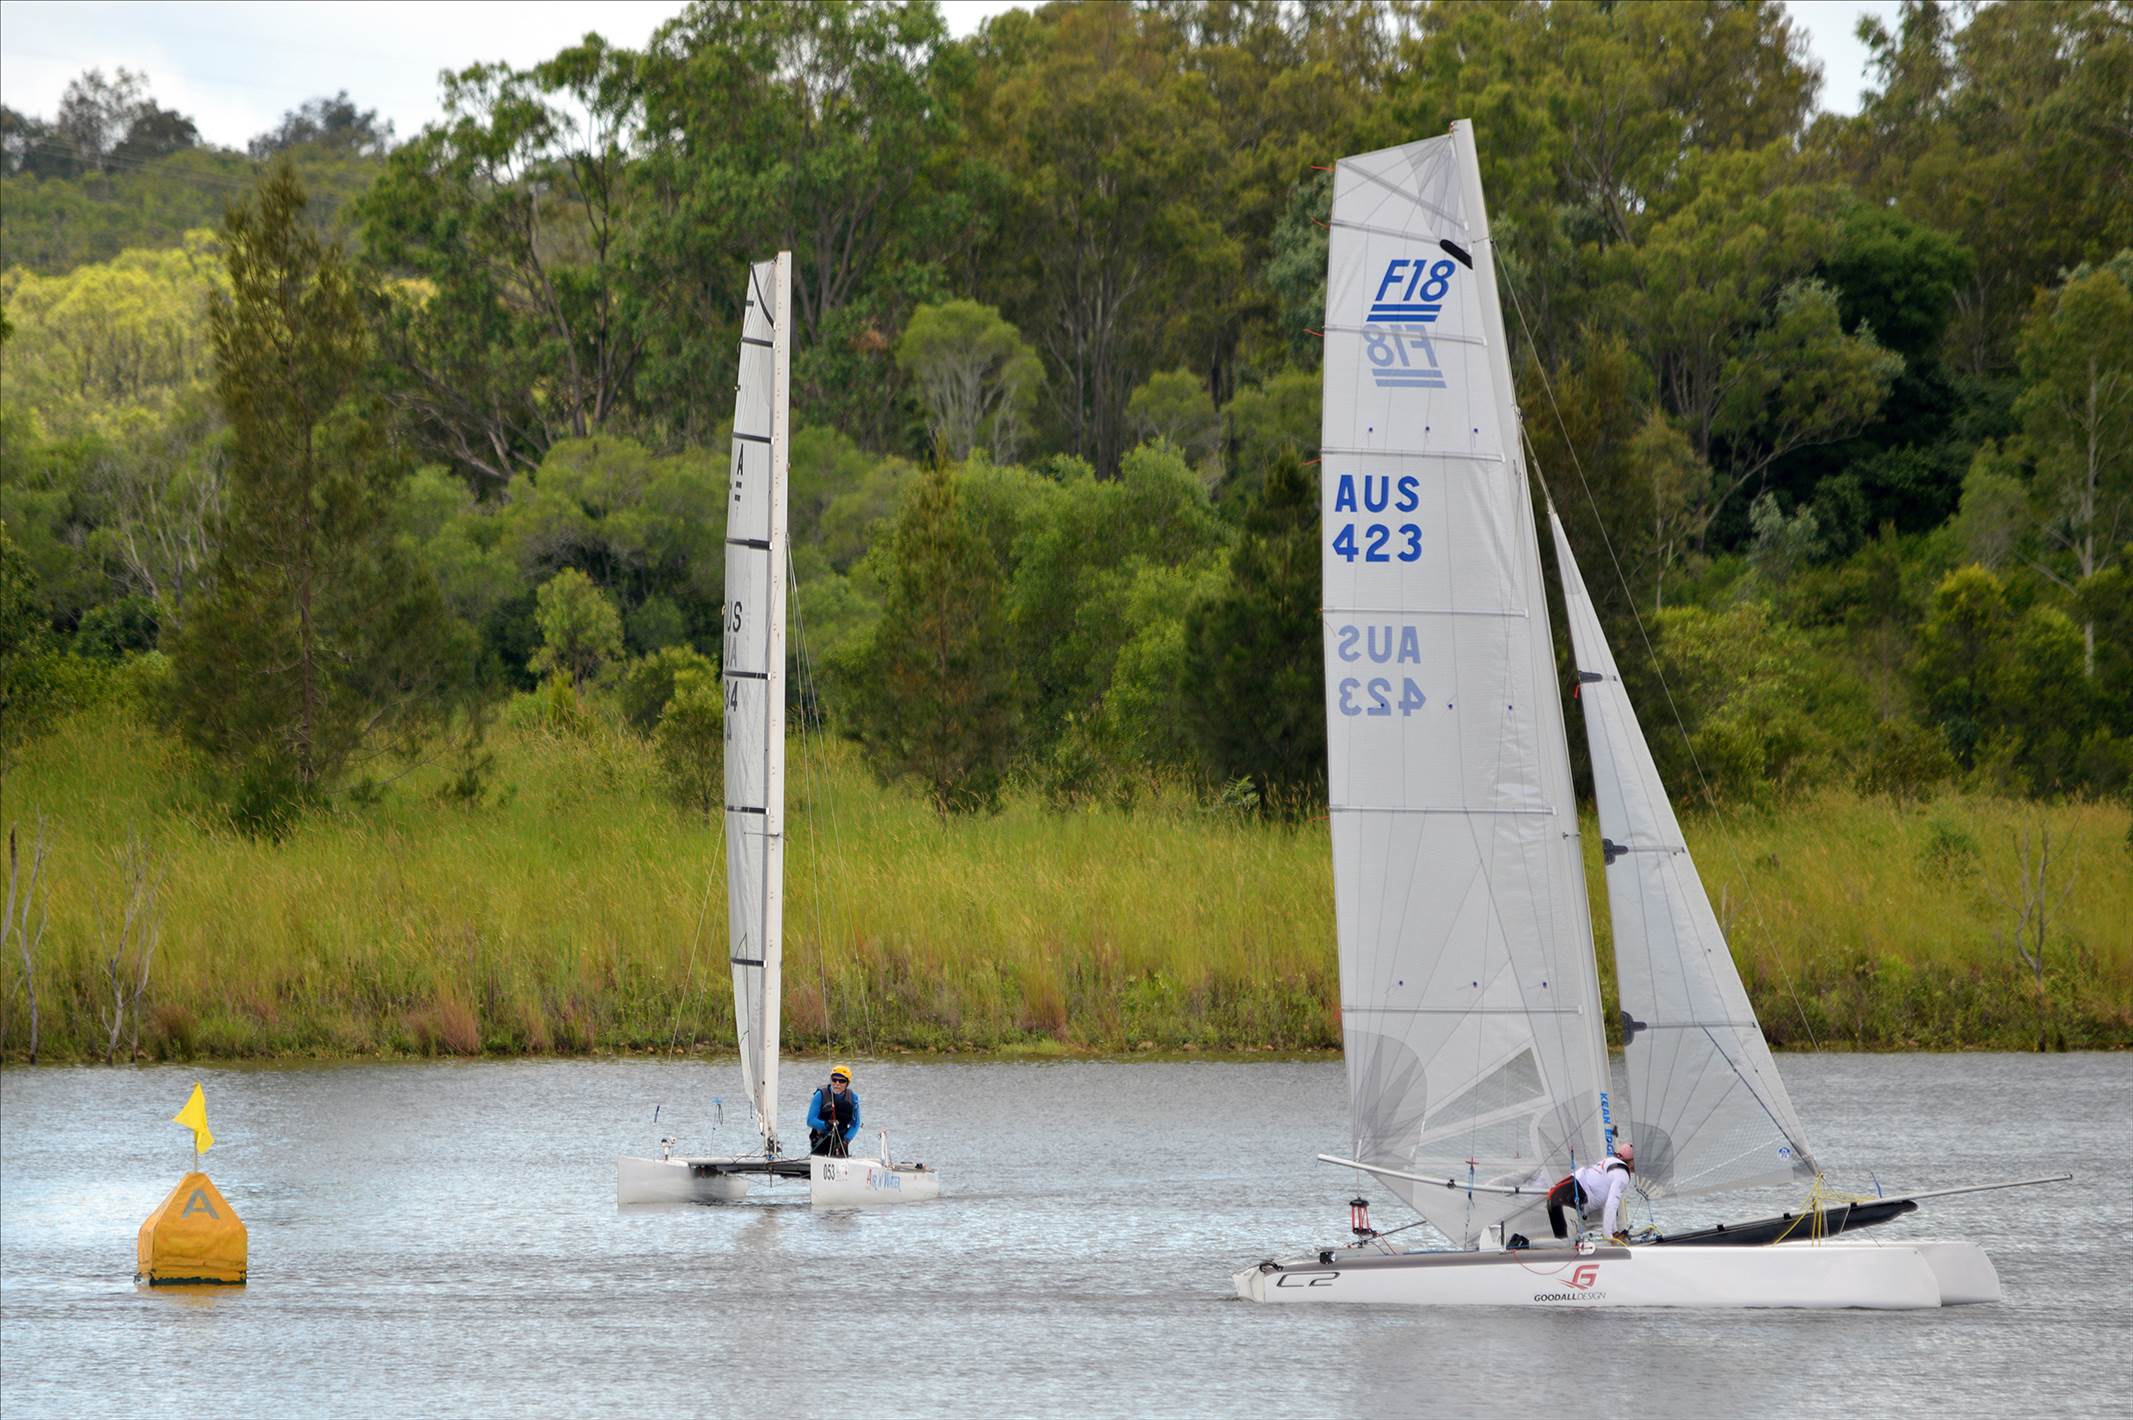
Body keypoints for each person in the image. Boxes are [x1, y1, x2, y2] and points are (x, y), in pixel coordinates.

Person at [1545, 1141, 1636, 1242]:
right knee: (1563, 1242)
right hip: (1571, 1194)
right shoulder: (1622, 1174)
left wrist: (1614, 1231)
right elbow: (1611, 1204)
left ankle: (1562, 1244)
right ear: (1630, 1161)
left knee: (1563, 1239)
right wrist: (1608, 1235)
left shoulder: (1611, 1161)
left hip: (1569, 1190)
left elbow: (1609, 1203)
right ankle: (1559, 1246)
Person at [806, 1064, 861, 1157]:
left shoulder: (853, 1097)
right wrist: (826, 1125)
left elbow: (856, 1123)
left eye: (842, 1081)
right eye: (834, 1080)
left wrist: (846, 1140)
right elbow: (810, 1120)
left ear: (847, 1083)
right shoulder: (820, 1095)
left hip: (841, 1139)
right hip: (821, 1138)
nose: (837, 1083)